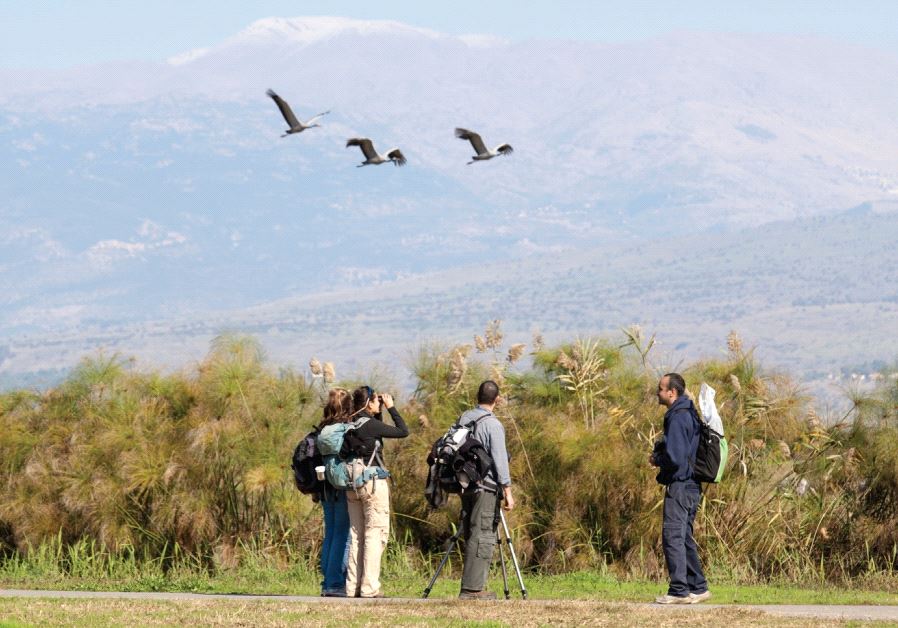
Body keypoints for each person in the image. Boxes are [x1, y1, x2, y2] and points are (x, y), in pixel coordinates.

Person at [650, 373, 711, 604]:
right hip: (692, 486)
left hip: (681, 485)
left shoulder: (677, 417)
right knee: (684, 536)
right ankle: (698, 587)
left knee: (673, 536)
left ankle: (678, 590)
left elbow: (675, 458)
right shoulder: (689, 414)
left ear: (671, 392)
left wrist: (657, 460)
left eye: (660, 389)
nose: (658, 393)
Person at [344, 385, 409, 598]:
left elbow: (374, 430)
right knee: (375, 533)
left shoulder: (350, 423)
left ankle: (353, 586)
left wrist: (378, 409)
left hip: (352, 483)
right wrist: (391, 407)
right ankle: (370, 587)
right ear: (369, 403)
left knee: (356, 535)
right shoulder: (371, 425)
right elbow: (402, 431)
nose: (379, 403)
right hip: (372, 483)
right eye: (376, 400)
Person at [457, 380, 514, 600]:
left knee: (471, 532)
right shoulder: (493, 424)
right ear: (496, 399)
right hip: (486, 487)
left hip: (466, 485)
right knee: (483, 535)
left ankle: (471, 585)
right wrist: (507, 490)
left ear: (477, 396)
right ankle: (472, 589)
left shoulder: (465, 418)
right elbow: (500, 460)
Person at [318, 388, 353, 597]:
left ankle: (327, 581)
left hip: (324, 487)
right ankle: (336, 583)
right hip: (340, 486)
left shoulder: (322, 429)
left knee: (330, 533)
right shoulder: (345, 430)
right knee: (343, 534)